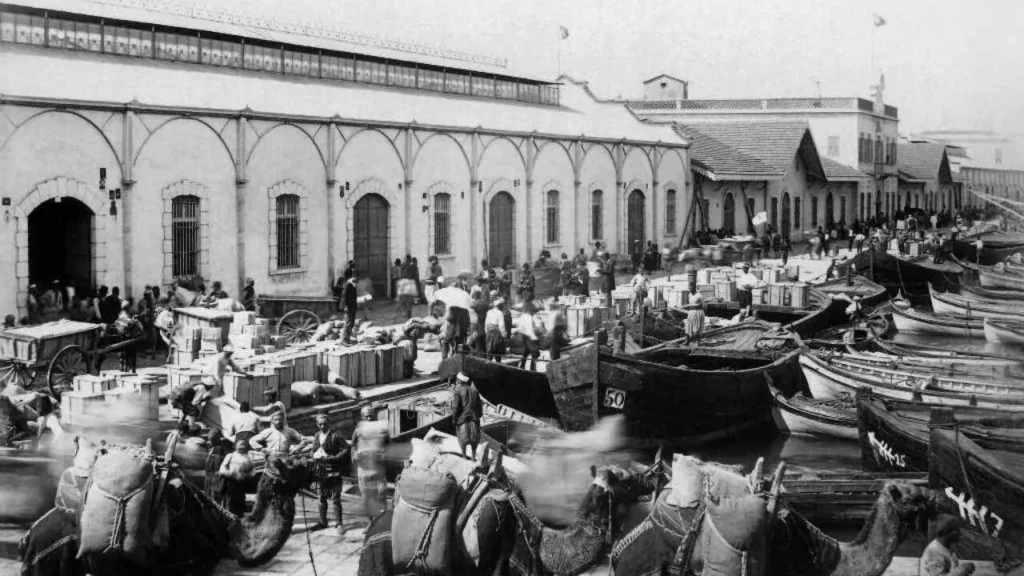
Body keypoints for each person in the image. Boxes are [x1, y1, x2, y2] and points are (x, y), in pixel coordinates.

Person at [310, 413, 349, 535]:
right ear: (317, 425)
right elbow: (313, 449)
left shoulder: (335, 436)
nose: (322, 426)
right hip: (321, 473)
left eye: (325, 424)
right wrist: (313, 455)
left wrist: (335, 458)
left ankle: (339, 523)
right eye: (320, 424)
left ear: (329, 424)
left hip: (334, 472)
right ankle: (323, 521)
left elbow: (346, 448)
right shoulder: (317, 436)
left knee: (336, 498)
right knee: (321, 498)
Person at [352, 405, 388, 520]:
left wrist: (384, 454)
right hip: (363, 468)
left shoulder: (382, 430)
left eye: (371, 416)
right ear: (362, 417)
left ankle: (382, 520)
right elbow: (353, 446)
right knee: (366, 495)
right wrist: (354, 455)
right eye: (367, 417)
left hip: (378, 466)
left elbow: (389, 445)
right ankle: (370, 522)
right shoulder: (358, 431)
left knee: (381, 493)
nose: (369, 419)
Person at [218, 438, 256, 515]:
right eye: (240, 444)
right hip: (230, 482)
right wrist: (230, 473)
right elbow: (222, 469)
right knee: (229, 502)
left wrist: (245, 475)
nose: (242, 447)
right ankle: (228, 516)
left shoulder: (248, 457)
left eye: (244, 445)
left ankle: (238, 518)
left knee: (240, 501)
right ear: (235, 446)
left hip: (241, 483)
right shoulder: (230, 455)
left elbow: (253, 471)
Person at [451, 372, 482, 460]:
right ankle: (473, 457)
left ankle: (464, 456)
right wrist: (478, 416)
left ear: (460, 381)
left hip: (462, 418)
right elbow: (479, 407)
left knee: (462, 440)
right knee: (475, 440)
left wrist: (454, 418)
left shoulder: (458, 391)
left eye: (457, 380)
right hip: (474, 418)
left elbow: (455, 407)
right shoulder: (475, 391)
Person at [514, 302, 543, 371]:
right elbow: (530, 330)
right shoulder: (529, 317)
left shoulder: (523, 316)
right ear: (530, 309)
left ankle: (522, 366)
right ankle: (532, 369)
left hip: (525, 337)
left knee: (526, 352)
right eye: (533, 310)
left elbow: (520, 328)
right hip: (530, 338)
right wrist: (535, 339)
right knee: (534, 353)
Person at [684, 276, 706, 342]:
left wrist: (702, 314)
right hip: (691, 312)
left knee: (697, 327)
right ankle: (687, 341)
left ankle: (698, 342)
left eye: (690, 287)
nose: (689, 288)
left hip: (698, 312)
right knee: (688, 326)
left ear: (694, 287)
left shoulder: (699, 295)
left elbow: (704, 306)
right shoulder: (689, 295)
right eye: (689, 287)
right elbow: (690, 303)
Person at [341, 273, 360, 344]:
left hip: (353, 306)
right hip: (348, 307)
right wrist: (346, 306)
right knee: (348, 323)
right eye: (355, 279)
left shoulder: (353, 285)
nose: (356, 281)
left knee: (351, 323)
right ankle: (344, 340)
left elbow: (354, 297)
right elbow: (344, 296)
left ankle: (347, 339)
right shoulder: (347, 284)